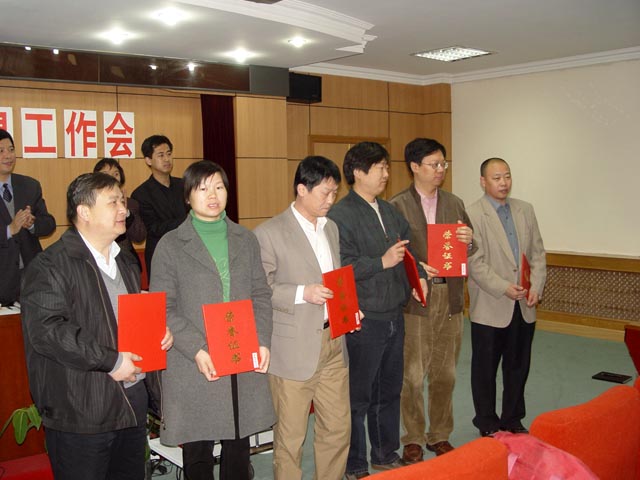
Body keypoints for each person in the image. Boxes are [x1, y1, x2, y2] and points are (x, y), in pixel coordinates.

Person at [21, 172, 173, 480]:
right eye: (113, 202)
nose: (124, 210)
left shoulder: (125, 262)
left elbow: (122, 321)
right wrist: (111, 361)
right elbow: (49, 332)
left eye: (123, 201)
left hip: (131, 401)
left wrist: (156, 331)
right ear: (84, 211)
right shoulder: (51, 265)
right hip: (81, 409)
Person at [150, 160, 274, 480]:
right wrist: (197, 348)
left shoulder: (245, 239)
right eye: (203, 188)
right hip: (193, 357)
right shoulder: (171, 245)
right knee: (198, 449)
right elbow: (163, 307)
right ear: (187, 196)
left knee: (238, 444)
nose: (213, 195)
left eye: (219, 187)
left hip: (240, 350)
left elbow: (261, 294)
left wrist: (262, 341)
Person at [327, 142, 427, 480]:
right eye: (380, 167)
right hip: (364, 319)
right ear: (358, 172)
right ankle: (355, 464)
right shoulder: (340, 215)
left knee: (389, 390)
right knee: (358, 396)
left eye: (386, 167)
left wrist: (419, 276)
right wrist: (381, 262)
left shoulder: (389, 210)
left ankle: (385, 454)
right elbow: (340, 266)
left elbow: (409, 252)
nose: (386, 173)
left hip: (394, 314)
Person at [254, 156, 350, 480]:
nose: (331, 200)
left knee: (337, 428)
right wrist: (301, 293)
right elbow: (260, 290)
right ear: (301, 189)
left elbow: (335, 279)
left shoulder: (331, 228)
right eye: (325, 192)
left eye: (334, 192)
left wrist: (348, 306)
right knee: (290, 437)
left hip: (333, 339)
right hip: (292, 348)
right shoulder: (269, 233)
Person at [389, 138, 474, 462]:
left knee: (445, 373)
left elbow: (470, 249)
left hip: (450, 296)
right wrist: (415, 267)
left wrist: (469, 240)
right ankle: (412, 436)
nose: (440, 170)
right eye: (434, 164)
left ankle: (439, 434)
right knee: (412, 375)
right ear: (414, 166)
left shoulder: (454, 203)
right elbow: (392, 253)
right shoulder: (397, 205)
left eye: (443, 164)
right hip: (417, 298)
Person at [467, 157, 546, 436]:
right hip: (490, 304)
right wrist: (504, 287)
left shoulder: (525, 209)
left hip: (524, 304)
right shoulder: (472, 214)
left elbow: (537, 253)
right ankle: (487, 422)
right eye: (497, 178)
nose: (503, 183)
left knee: (518, 366)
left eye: (507, 176)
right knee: (485, 370)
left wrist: (536, 286)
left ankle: (512, 418)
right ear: (483, 181)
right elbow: (474, 262)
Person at [0, 128, 55, 305]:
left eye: (11, 149)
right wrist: (9, 230)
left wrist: (32, 224)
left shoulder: (30, 185)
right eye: (1, 151)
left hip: (32, 277)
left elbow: (49, 224)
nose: (8, 156)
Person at [131, 135, 187, 281]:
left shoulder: (184, 185)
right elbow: (153, 228)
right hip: (160, 254)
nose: (167, 159)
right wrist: (188, 220)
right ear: (148, 160)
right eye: (161, 155)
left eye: (169, 154)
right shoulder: (141, 194)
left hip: (188, 252)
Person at [94, 157, 146, 271]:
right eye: (105, 174)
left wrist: (126, 213)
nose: (111, 178)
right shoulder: (92, 204)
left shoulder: (131, 204)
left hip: (127, 263)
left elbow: (139, 237)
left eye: (116, 174)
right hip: (99, 262)